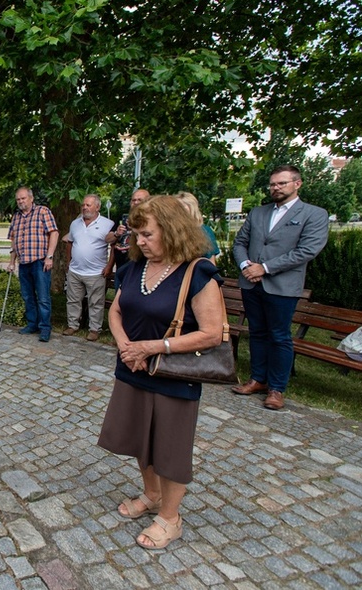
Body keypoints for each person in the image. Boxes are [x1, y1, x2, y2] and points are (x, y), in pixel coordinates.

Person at [98, 195, 225, 551]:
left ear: (171, 230)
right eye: (137, 234)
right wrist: (127, 347)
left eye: (147, 234)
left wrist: (151, 348)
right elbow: (116, 311)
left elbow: (212, 332)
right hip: (133, 367)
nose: (139, 242)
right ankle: (152, 495)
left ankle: (171, 517)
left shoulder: (197, 272)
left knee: (170, 448)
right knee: (141, 439)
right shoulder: (136, 267)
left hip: (173, 375)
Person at [231, 165, 329, 410]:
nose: (275, 188)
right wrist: (246, 265)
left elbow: (307, 250)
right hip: (251, 283)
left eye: (281, 183)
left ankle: (276, 389)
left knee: (279, 336)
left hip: (282, 286)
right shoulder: (258, 212)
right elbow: (240, 242)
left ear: (297, 184)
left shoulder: (313, 214)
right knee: (257, 332)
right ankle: (258, 379)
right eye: (273, 184)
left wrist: (265, 267)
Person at [7, 187, 59, 342]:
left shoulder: (43, 211)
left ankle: (45, 328)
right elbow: (14, 242)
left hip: (40, 261)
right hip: (23, 263)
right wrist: (11, 262)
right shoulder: (15, 217)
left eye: (23, 198)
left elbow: (54, 233)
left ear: (31, 198)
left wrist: (49, 256)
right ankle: (32, 324)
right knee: (28, 296)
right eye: (18, 199)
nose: (21, 201)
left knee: (43, 297)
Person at [62, 194, 114, 341]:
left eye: (88, 205)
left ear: (97, 207)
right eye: (83, 205)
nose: (85, 207)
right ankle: (72, 325)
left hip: (96, 272)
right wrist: (68, 262)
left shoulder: (108, 224)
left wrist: (109, 266)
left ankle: (94, 329)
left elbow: (114, 247)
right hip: (75, 270)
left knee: (96, 302)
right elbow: (69, 243)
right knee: (72, 300)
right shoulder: (75, 224)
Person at [105, 188, 150, 279]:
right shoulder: (123, 218)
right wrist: (117, 234)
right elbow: (108, 240)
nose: (136, 202)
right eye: (134, 200)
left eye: (139, 200)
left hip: (140, 269)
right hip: (121, 268)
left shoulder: (151, 219)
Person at [176, 192, 220, 263]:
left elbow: (211, 263)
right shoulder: (169, 232)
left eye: (182, 209)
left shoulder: (205, 231)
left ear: (193, 209)